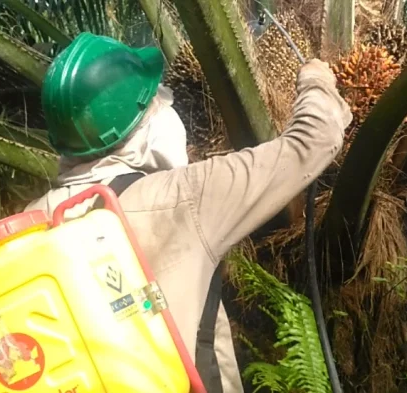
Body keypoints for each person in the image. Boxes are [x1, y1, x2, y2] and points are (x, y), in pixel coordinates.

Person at [25, 33, 352, 393]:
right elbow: (314, 139)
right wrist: (317, 79)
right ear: (139, 125)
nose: (167, 109)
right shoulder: (183, 198)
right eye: (158, 101)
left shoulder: (23, 229)